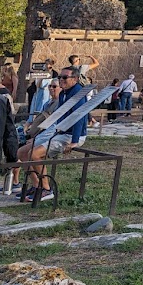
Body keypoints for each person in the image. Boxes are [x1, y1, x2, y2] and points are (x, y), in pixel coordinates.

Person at [23, 65, 89, 201]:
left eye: (65, 77)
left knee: (34, 154)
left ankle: (46, 189)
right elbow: (58, 117)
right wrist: (41, 135)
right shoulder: (65, 92)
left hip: (70, 135)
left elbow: (79, 117)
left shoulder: (78, 94)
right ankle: (37, 186)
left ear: (75, 79)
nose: (61, 80)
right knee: (23, 152)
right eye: (60, 77)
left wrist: (74, 141)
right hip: (59, 131)